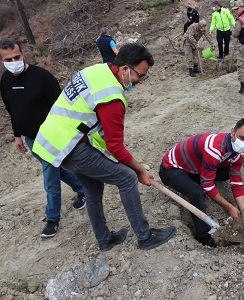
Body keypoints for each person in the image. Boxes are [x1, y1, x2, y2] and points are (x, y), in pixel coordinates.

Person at [32, 43, 176, 251]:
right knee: (126, 178)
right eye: (140, 75)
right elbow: (115, 146)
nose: (141, 81)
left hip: (54, 140)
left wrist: (114, 160)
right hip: (70, 146)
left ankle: (104, 239)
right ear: (125, 69)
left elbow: (99, 134)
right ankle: (145, 237)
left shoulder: (95, 71)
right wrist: (140, 170)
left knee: (93, 188)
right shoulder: (112, 97)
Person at [0, 38, 86, 238]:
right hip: (30, 138)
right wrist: (17, 136)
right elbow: (12, 110)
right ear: (2, 61)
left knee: (50, 178)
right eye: (8, 59)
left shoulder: (42, 77)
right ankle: (82, 189)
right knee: (55, 167)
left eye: (17, 57)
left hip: (51, 134)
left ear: (23, 54)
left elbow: (62, 105)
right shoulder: (5, 81)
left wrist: (69, 132)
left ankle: (53, 218)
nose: (14, 61)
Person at [159, 118, 244, 247]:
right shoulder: (214, 149)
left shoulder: (236, 154)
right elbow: (207, 185)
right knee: (197, 192)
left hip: (195, 167)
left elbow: (237, 183)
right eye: (242, 138)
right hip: (172, 169)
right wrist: (228, 206)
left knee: (226, 172)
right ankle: (203, 235)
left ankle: (197, 180)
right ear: (232, 132)